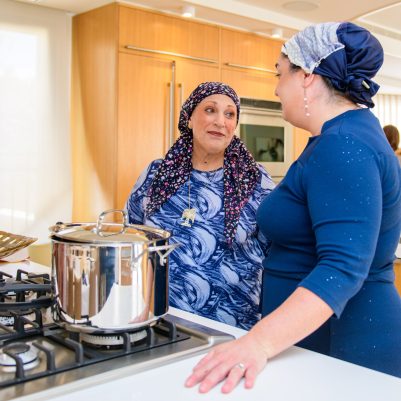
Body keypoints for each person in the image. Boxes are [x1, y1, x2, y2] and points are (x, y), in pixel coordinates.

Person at [185, 22, 401, 393]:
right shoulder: (341, 137)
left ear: (307, 78)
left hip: (345, 347)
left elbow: (342, 267)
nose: (275, 87)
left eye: (280, 73)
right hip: (327, 341)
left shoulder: (343, 145)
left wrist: (258, 342)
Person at [125, 82, 275, 330]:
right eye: (210, 110)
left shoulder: (255, 180)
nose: (220, 121)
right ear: (189, 117)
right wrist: (140, 311)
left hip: (233, 331)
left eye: (230, 114)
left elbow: (276, 252)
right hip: (163, 324)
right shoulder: (156, 175)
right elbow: (136, 246)